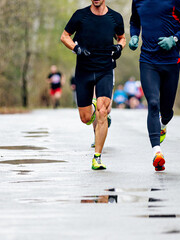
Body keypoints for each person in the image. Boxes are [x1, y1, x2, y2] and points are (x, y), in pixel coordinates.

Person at [129, 0, 180, 171]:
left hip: (171, 62)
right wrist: (134, 35)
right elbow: (135, 21)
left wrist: (174, 39)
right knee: (153, 103)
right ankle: (157, 152)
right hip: (147, 60)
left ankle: (163, 124)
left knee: (166, 112)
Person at [61, 0, 126, 170]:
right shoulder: (80, 16)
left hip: (105, 69)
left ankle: (97, 158)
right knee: (85, 118)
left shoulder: (115, 17)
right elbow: (64, 36)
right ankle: (95, 108)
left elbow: (122, 38)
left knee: (103, 111)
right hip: (84, 71)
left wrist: (119, 47)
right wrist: (76, 48)